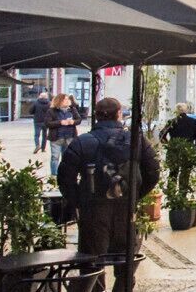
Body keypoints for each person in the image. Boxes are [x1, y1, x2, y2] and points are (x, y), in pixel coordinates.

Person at [57, 96, 159, 262]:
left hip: (93, 209)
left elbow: (65, 178)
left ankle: (96, 287)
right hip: (126, 208)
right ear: (119, 114)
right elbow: (153, 172)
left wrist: (80, 201)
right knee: (126, 262)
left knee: (91, 262)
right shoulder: (137, 140)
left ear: (96, 116)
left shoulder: (82, 142)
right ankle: (122, 288)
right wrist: (134, 194)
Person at [48, 93, 81, 170]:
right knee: (55, 157)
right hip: (56, 138)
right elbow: (47, 123)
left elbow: (79, 120)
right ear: (59, 101)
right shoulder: (51, 111)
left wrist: (73, 122)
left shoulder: (72, 109)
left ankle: (64, 174)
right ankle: (54, 174)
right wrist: (60, 122)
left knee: (67, 157)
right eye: (65, 99)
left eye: (67, 99)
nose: (67, 101)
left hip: (69, 137)